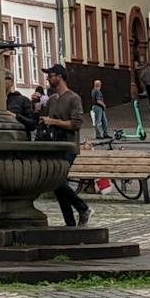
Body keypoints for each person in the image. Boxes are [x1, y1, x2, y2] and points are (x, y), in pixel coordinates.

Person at [38, 65, 91, 227]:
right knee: (57, 184)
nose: (48, 79)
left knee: (58, 180)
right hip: (54, 146)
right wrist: (37, 107)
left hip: (68, 146)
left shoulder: (73, 98)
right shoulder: (53, 99)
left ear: (60, 77)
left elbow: (76, 124)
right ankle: (70, 222)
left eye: (51, 75)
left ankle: (83, 208)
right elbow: (43, 117)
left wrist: (53, 121)